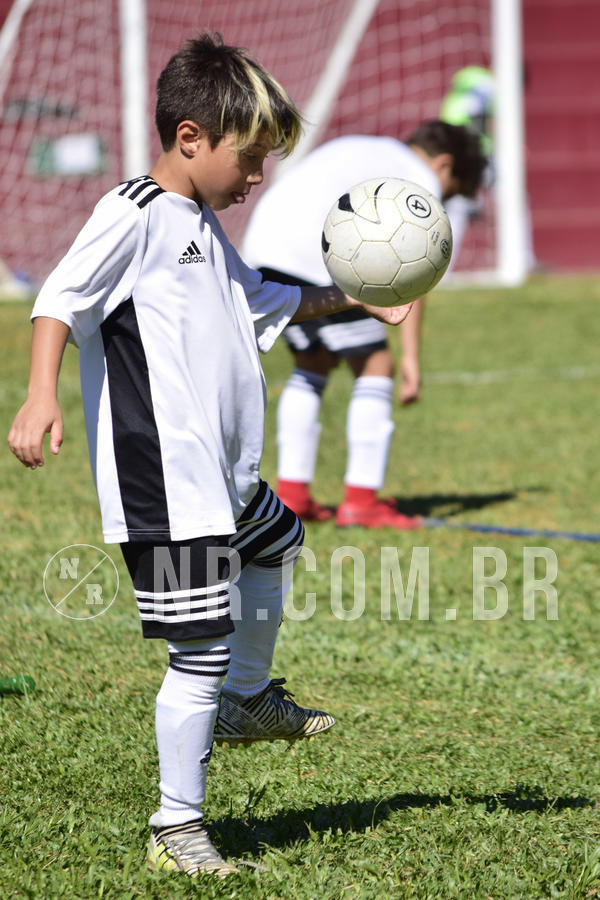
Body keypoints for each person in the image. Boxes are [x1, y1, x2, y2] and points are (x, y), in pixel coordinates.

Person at [7, 34, 412, 878]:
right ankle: (176, 826)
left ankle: (246, 702)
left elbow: (266, 297)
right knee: (198, 653)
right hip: (169, 486)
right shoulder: (135, 211)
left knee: (281, 541)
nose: (258, 177)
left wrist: (359, 295)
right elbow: (59, 298)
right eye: (251, 158)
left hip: (223, 478)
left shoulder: (199, 224)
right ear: (191, 137)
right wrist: (41, 394)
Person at [242, 122, 486, 527]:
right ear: (443, 165)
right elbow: (413, 265)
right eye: (452, 190)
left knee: (313, 361)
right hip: (313, 259)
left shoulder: (367, 147)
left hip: (265, 251)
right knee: (375, 364)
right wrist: (409, 357)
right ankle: (361, 501)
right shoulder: (418, 179)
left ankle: (294, 495)